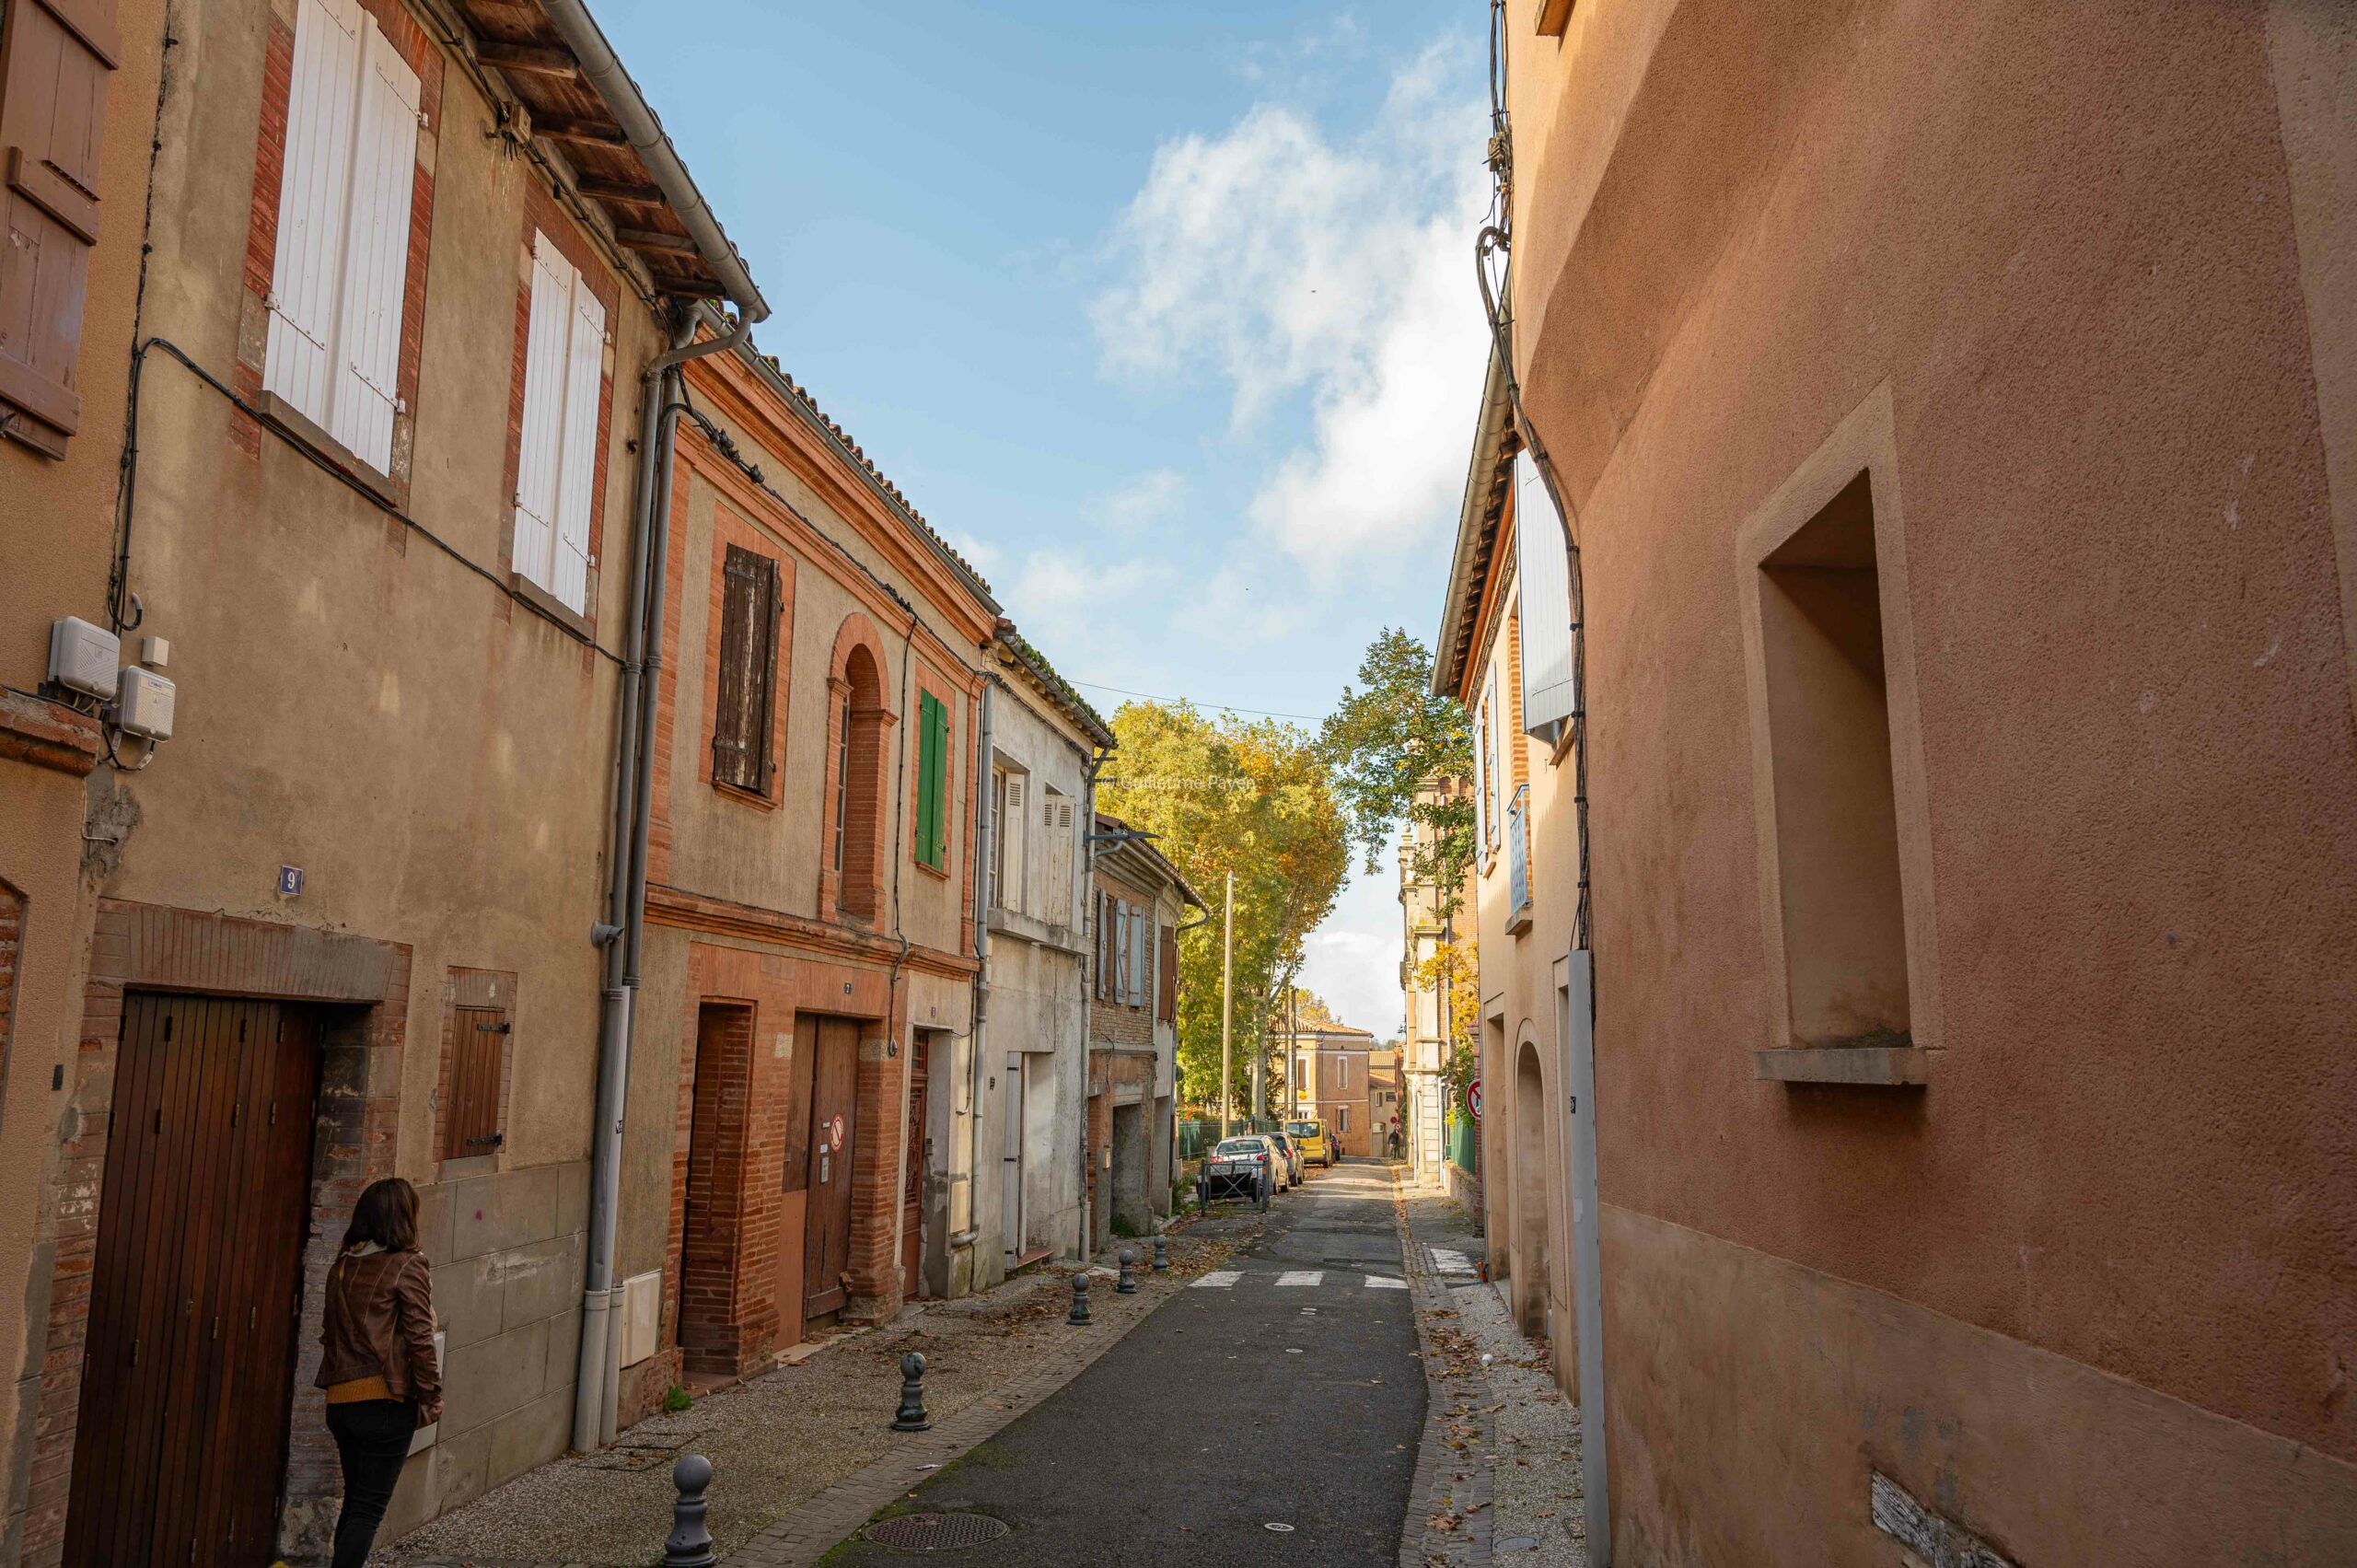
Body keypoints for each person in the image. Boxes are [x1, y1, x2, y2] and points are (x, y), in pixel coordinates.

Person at [317, 1177, 441, 1568]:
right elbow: (420, 1338)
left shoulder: (340, 1267)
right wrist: (432, 1395)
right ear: (404, 1217)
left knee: (355, 1503)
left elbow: (329, 1334)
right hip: (385, 1401)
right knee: (368, 1511)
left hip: (340, 1403)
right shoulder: (407, 1265)